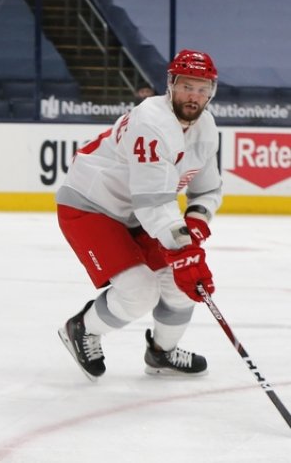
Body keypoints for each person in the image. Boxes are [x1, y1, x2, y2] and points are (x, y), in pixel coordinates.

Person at [56, 49, 221, 381]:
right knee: (139, 290)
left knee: (178, 283)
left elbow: (206, 191)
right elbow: (153, 205)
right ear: (171, 85)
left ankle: (162, 353)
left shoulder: (205, 128)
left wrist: (196, 226)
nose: (195, 96)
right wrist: (183, 249)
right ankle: (82, 329)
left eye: (203, 89)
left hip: (139, 213)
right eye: (188, 86)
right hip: (92, 206)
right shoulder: (152, 122)